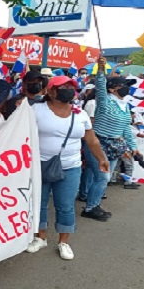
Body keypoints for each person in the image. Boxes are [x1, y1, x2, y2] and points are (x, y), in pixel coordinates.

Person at [27, 76, 109, 260]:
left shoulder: (80, 114)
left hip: (71, 167)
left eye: (70, 87)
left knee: (65, 206)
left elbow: (92, 139)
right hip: (40, 165)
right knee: (39, 204)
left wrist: (100, 159)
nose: (67, 90)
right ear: (50, 91)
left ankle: (63, 242)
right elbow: (21, 133)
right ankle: (40, 237)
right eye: (62, 87)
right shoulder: (36, 110)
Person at [81, 57, 142, 222]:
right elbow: (100, 85)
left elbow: (126, 129)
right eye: (124, 86)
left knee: (103, 179)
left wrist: (134, 147)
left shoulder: (125, 106)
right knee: (102, 177)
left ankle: (95, 204)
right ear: (114, 89)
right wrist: (101, 69)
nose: (127, 88)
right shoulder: (105, 100)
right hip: (98, 143)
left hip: (115, 145)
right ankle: (89, 208)